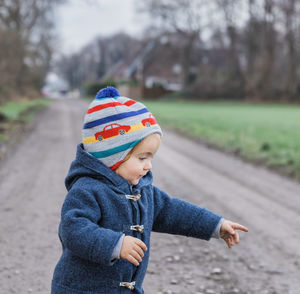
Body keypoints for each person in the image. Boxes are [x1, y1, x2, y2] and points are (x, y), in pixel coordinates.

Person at [51, 87, 248, 294]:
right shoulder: (87, 189)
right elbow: (72, 230)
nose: (148, 166)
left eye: (151, 158)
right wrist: (115, 244)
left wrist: (215, 225)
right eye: (142, 158)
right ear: (112, 157)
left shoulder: (141, 190)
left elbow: (174, 211)